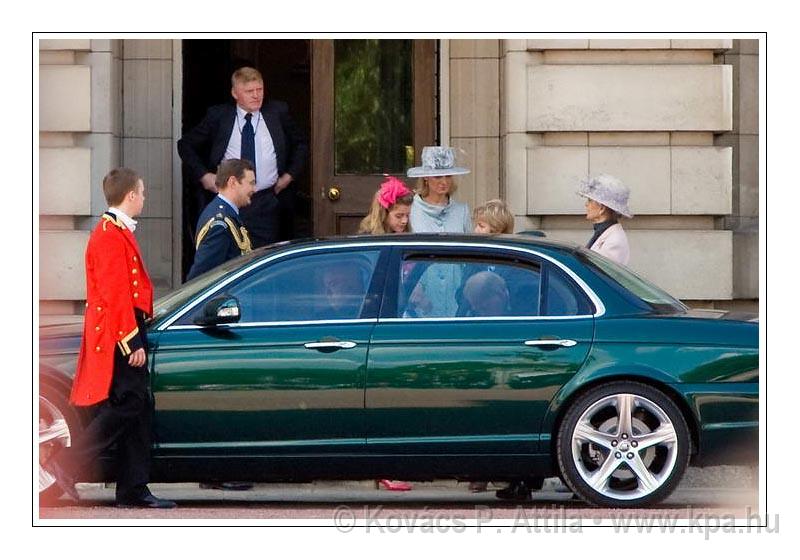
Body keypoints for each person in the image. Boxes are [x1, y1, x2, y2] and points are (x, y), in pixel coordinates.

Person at [43, 168, 176, 508]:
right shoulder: (108, 233)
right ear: (131, 195)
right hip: (120, 331)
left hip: (126, 323)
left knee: (138, 406)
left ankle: (133, 488)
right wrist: (131, 341)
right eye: (142, 193)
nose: (145, 198)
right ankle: (68, 463)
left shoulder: (115, 230)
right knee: (130, 402)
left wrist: (143, 315)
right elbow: (114, 293)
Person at [177, 66, 308, 248]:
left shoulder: (277, 112)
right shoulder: (219, 116)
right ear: (235, 93)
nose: (256, 96)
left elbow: (301, 143)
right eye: (249, 91)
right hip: (229, 200)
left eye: (259, 90)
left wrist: (288, 176)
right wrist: (204, 176)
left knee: (264, 257)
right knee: (227, 255)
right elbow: (186, 145)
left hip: (266, 201)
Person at [357, 176, 414, 491]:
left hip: (399, 319)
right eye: (399, 216)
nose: (404, 223)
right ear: (384, 213)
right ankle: (383, 466)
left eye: (407, 217)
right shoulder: (369, 241)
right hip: (373, 323)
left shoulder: (405, 239)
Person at [186, 159, 255, 281]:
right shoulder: (220, 223)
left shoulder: (228, 214)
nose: (254, 189)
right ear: (232, 182)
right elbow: (201, 276)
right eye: (251, 183)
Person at [407, 146, 472, 234]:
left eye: (448, 176)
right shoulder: (410, 209)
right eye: (438, 177)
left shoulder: (462, 211)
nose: (444, 182)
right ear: (426, 177)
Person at [577, 174, 633, 265]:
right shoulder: (603, 233)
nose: (586, 204)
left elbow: (598, 274)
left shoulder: (614, 241)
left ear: (602, 208)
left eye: (590, 200)